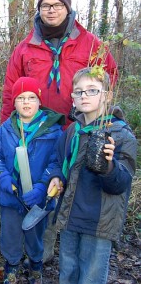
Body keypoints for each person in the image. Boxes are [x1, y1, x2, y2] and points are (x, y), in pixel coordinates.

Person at [0, 0, 118, 264]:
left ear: (68, 8)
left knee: (73, 187)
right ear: (38, 10)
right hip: (36, 133)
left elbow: (109, 79)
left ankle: (66, 248)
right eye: (45, 6)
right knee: (40, 185)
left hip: (76, 130)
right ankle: (39, 250)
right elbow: (9, 91)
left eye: (57, 5)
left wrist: (101, 118)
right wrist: (7, 131)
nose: (51, 11)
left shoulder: (90, 44)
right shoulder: (26, 48)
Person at [47, 67, 137, 284]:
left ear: (106, 95)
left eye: (92, 90)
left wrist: (109, 166)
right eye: (78, 92)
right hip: (70, 217)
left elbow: (121, 183)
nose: (84, 96)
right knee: (68, 271)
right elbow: (61, 162)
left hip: (99, 222)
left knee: (91, 276)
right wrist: (58, 177)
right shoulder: (72, 131)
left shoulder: (120, 135)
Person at [0, 77, 64, 283]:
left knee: (35, 236)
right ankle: (11, 267)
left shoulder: (53, 130)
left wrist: (42, 187)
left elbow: (57, 162)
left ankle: (35, 267)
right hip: (11, 196)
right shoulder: (5, 129)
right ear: (14, 102)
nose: (26, 102)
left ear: (39, 101)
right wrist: (2, 176)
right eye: (20, 98)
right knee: (10, 235)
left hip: (39, 198)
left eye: (31, 97)